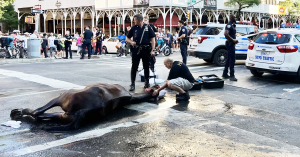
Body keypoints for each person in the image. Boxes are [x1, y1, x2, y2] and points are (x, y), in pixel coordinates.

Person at [126, 14, 156, 91]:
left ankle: (147, 83)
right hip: (136, 50)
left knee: (146, 67)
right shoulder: (133, 28)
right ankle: (132, 84)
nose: (134, 21)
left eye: (135, 20)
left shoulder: (148, 27)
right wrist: (131, 42)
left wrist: (153, 50)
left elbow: (153, 38)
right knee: (134, 67)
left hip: (146, 50)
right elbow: (127, 38)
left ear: (139, 20)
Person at [222, 14, 238, 81]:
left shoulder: (232, 25)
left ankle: (225, 74)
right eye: (234, 17)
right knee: (232, 59)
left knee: (229, 59)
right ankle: (232, 75)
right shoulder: (229, 25)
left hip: (231, 44)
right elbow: (226, 34)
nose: (235, 18)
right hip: (230, 44)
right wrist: (233, 40)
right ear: (231, 18)